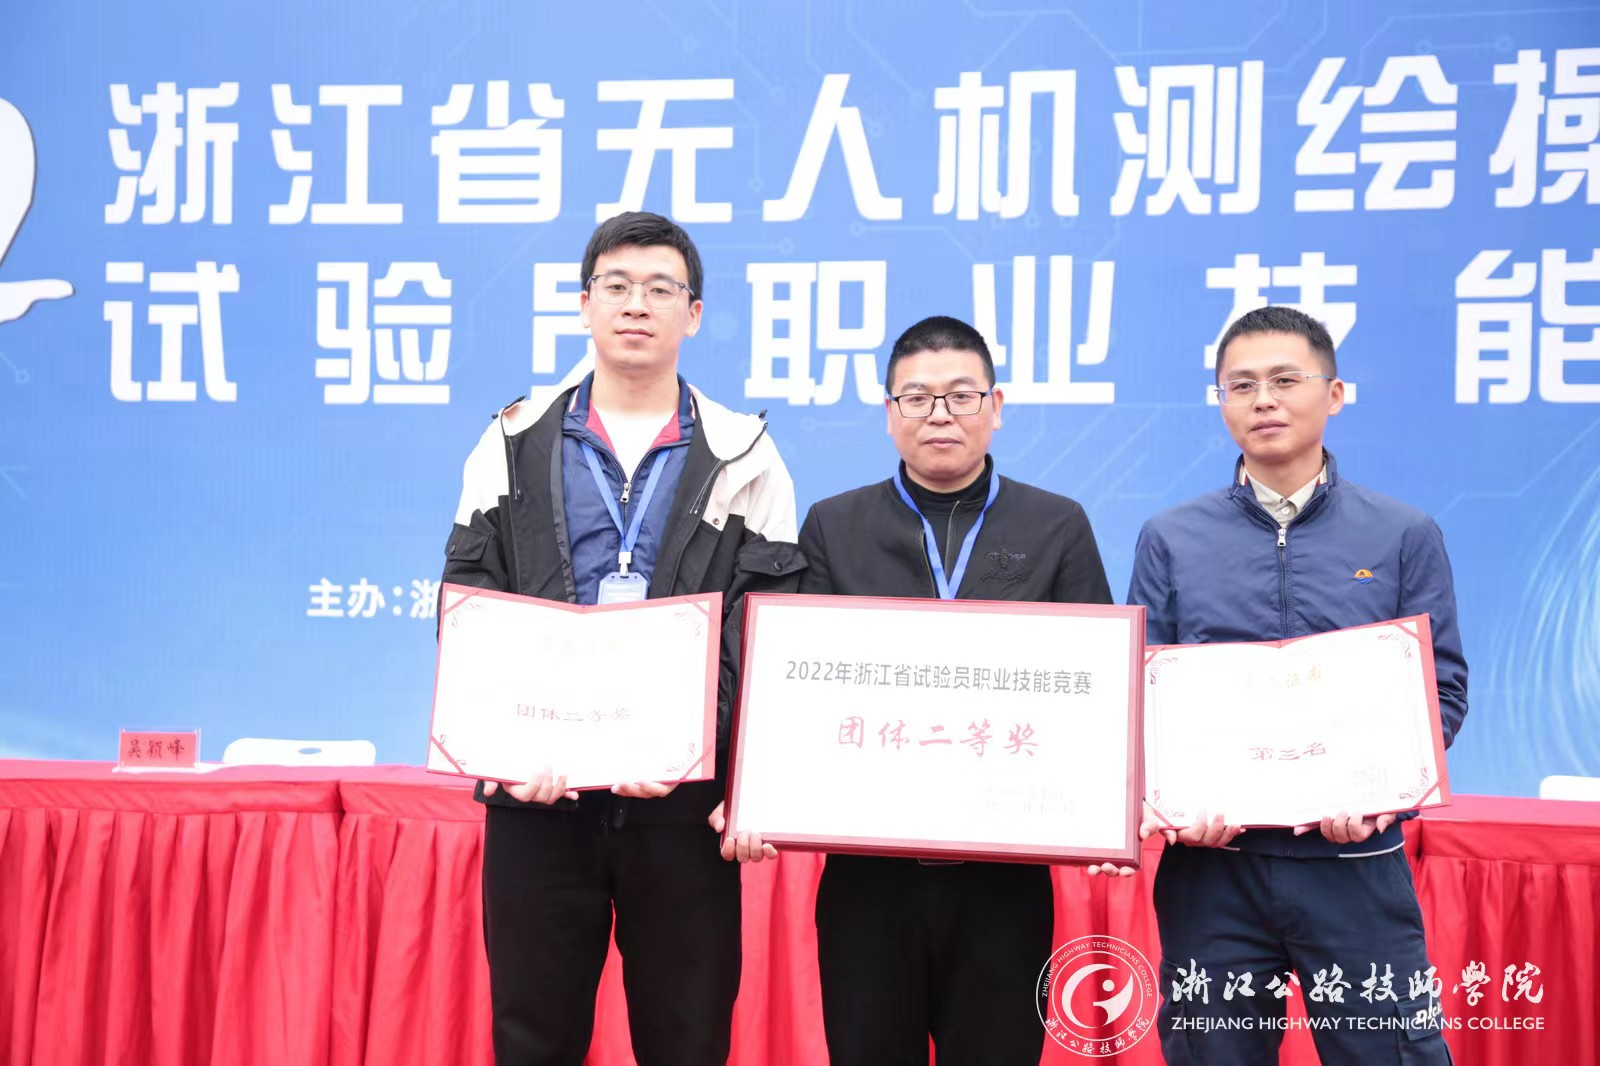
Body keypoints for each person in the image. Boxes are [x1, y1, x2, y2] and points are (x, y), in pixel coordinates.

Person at [440, 211, 803, 1066]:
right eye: (617, 285)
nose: (637, 304)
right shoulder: (511, 439)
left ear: (694, 313)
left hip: (679, 805)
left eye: (660, 288)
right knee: (532, 1039)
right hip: (539, 793)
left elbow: (766, 627)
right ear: (584, 303)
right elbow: (469, 598)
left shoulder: (747, 454)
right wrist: (503, 751)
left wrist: (700, 752)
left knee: (687, 1039)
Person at [721, 315, 1113, 1065]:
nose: (940, 414)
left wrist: (1101, 809)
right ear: (889, 412)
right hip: (870, 878)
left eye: (962, 396)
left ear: (996, 406)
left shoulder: (1057, 525)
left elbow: (1093, 695)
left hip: (1004, 878)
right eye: (918, 397)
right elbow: (799, 690)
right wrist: (757, 794)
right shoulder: (834, 525)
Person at [1093, 305, 1466, 1064]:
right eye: (1241, 385)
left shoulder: (1402, 534)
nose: (1263, 400)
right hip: (1213, 872)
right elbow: (1144, 698)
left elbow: (1443, 691)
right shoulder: (1171, 538)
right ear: (1221, 403)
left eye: (1285, 380)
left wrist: (1382, 794)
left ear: (1334, 394)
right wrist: (1170, 801)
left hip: (1355, 866)